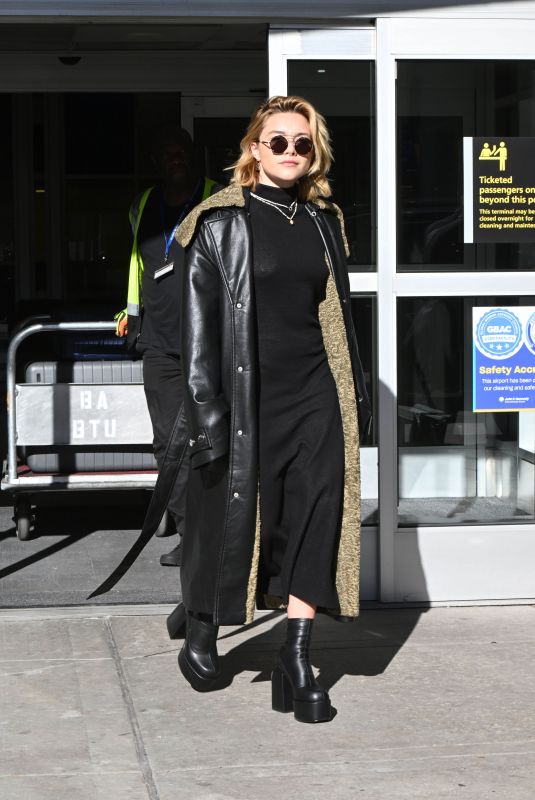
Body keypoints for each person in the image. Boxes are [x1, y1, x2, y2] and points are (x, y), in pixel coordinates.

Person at [174, 96, 371, 723]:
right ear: (254, 148)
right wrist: (205, 409)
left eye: (302, 144)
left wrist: (353, 393)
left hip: (316, 390)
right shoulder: (218, 222)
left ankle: (297, 653)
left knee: (317, 511)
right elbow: (198, 331)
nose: (290, 153)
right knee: (228, 518)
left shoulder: (322, 219)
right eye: (277, 141)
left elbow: (334, 316)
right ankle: (203, 622)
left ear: (316, 154)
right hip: (243, 395)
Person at [115, 125, 219, 567]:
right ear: (157, 162)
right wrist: (130, 313)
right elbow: (138, 263)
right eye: (166, 153)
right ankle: (190, 532)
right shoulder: (143, 204)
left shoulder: (219, 198)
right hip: (158, 342)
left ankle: (219, 533)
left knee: (209, 439)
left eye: (182, 152)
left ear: (194, 158)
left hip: (210, 340)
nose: (175, 159)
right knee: (167, 444)